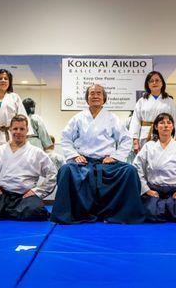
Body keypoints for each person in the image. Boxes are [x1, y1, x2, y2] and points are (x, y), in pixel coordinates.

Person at [50, 84, 145, 224]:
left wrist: (115, 157)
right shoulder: (78, 118)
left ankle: (120, 214)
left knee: (129, 171)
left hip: (107, 162)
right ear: (87, 98)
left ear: (104, 98)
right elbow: (65, 138)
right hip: (83, 161)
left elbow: (126, 140)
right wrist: (74, 155)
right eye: (92, 93)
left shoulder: (112, 118)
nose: (95, 96)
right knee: (66, 170)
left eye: (99, 93)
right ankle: (72, 214)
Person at [0, 114, 57, 220]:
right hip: (1, 194)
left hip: (24, 196)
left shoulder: (37, 153)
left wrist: (37, 191)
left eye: (22, 129)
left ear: (27, 130)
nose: (18, 132)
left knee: (36, 211)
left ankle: (4, 211)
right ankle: (13, 211)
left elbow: (52, 174)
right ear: (10, 130)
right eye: (15, 128)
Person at [133, 113, 176, 222]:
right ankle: (166, 208)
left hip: (174, 191)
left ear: (172, 127)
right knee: (150, 214)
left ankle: (166, 207)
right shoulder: (149, 146)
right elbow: (136, 168)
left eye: (169, 123)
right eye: (162, 123)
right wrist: (147, 190)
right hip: (154, 191)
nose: (166, 126)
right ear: (156, 127)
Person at [130, 71, 176, 154]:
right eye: (151, 81)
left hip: (165, 135)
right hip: (146, 135)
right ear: (147, 84)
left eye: (157, 80)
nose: (154, 83)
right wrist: (135, 140)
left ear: (162, 83)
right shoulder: (141, 101)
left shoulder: (170, 102)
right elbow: (135, 121)